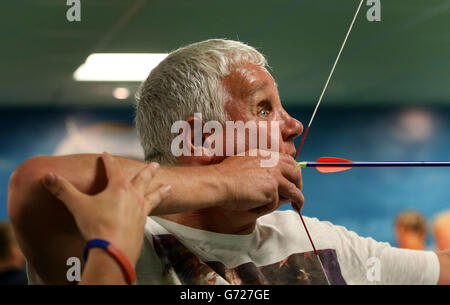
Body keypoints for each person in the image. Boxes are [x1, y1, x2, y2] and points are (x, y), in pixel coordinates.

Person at [7, 39, 450, 285]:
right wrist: (223, 181)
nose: (294, 126)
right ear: (199, 138)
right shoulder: (121, 234)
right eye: (263, 108)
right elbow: (37, 183)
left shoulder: (315, 240)